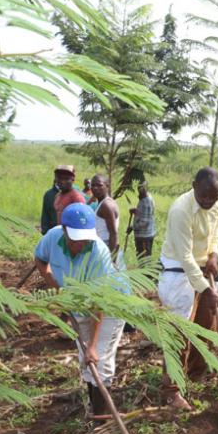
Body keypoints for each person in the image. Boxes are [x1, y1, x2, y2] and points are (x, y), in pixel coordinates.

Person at [34, 203, 127, 419]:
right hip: (78, 302)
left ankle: (99, 420)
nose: (80, 244)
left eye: (84, 238)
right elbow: (40, 258)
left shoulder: (98, 252)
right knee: (85, 358)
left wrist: (93, 346)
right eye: (75, 239)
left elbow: (99, 304)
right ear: (64, 230)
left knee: (99, 358)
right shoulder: (52, 237)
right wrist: (53, 283)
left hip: (110, 305)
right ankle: (91, 410)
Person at [157, 167, 218, 410]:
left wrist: (214, 255)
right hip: (177, 268)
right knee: (179, 331)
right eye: (204, 196)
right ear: (194, 185)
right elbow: (185, 257)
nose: (208, 201)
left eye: (213, 197)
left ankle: (195, 373)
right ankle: (171, 390)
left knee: (207, 323)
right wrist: (206, 290)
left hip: (202, 264)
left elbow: (215, 232)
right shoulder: (180, 210)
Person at [90, 174, 120, 256]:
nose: (95, 188)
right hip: (101, 246)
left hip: (106, 247)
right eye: (93, 185)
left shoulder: (106, 205)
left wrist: (112, 259)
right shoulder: (101, 203)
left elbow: (113, 233)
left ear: (107, 186)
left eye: (99, 185)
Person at [129, 182, 156, 258]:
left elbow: (144, 223)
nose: (139, 191)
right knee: (143, 259)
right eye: (139, 189)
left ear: (146, 189)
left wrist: (132, 227)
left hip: (144, 236)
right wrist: (136, 211)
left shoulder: (146, 202)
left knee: (144, 261)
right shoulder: (145, 198)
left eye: (142, 189)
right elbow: (144, 215)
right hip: (144, 235)